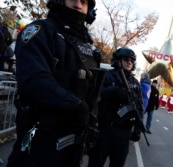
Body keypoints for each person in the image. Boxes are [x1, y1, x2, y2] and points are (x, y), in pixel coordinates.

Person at [7, 0, 101, 167]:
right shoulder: (40, 31)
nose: (78, 5)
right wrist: (77, 106)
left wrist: (93, 121)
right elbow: (34, 81)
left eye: (84, 2)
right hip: (40, 142)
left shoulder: (88, 46)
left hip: (74, 143)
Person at [87, 48, 145, 167]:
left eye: (132, 61)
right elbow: (94, 95)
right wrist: (113, 90)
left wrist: (138, 128)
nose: (129, 62)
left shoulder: (135, 82)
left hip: (124, 133)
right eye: (126, 59)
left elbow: (139, 105)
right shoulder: (107, 76)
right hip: (105, 130)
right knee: (96, 163)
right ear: (118, 61)